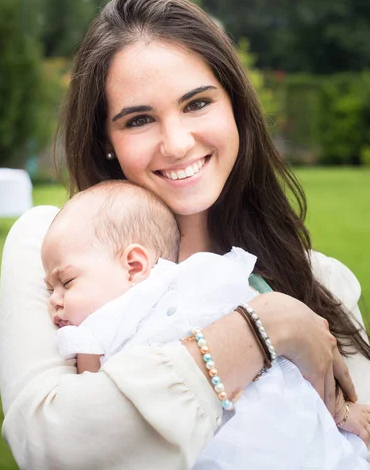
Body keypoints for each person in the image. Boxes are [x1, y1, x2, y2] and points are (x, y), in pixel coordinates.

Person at [0, 0, 370, 470]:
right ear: (106, 142)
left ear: (234, 107)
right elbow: (50, 447)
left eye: (196, 104)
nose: (176, 144)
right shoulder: (57, 254)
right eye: (138, 119)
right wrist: (265, 327)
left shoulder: (320, 282)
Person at [41, 180, 369, 469]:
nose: (53, 299)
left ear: (134, 264)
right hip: (220, 449)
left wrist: (340, 411)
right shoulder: (93, 334)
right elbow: (91, 410)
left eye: (66, 282)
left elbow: (299, 359)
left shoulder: (205, 274)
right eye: (50, 288)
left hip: (292, 428)